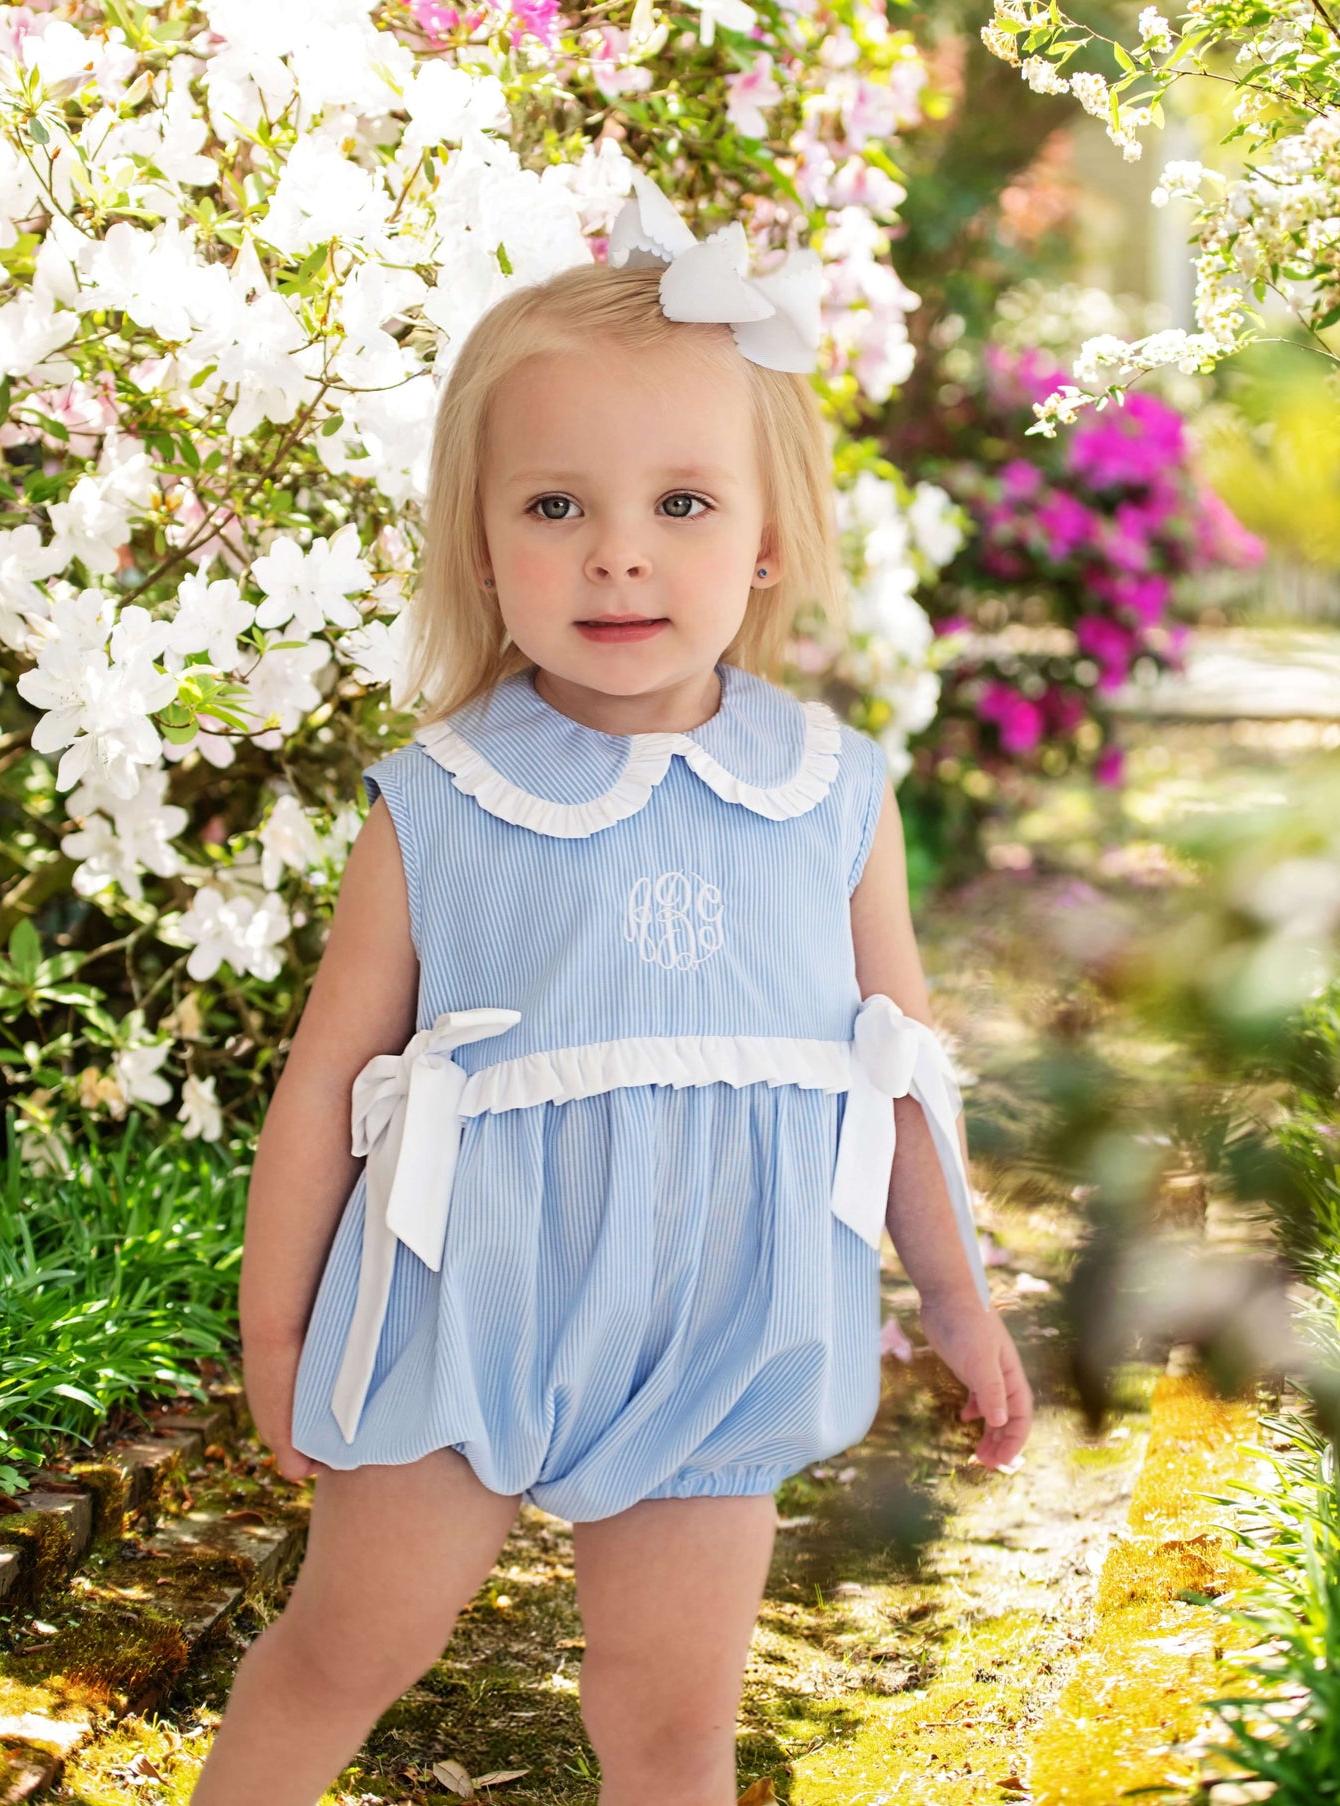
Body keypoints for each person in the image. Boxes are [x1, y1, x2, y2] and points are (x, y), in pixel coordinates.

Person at [193, 173, 1034, 1806]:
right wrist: (274, 1325)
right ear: (483, 538)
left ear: (769, 533)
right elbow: (324, 1082)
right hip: (463, 1321)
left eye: (683, 505)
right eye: (556, 507)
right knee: (347, 1649)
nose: (618, 556)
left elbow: (896, 1067)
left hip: (718, 1334)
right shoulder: (438, 798)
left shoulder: (828, 788)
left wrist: (953, 1291)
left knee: (668, 1725)